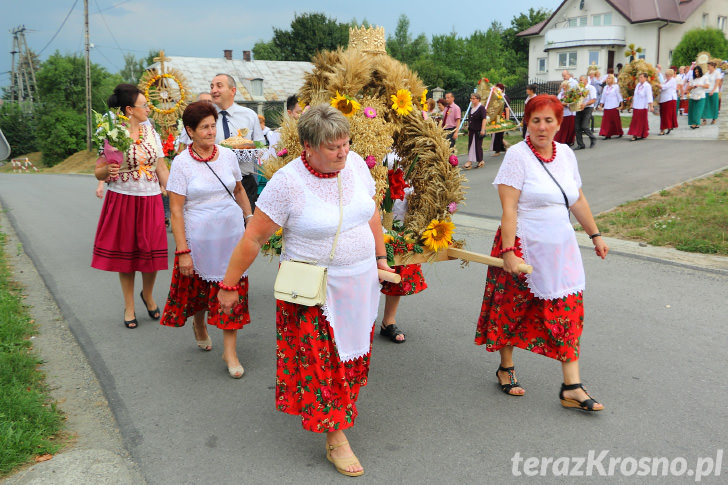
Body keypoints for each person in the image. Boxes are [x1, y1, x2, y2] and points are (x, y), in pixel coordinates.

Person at [217, 104, 392, 477]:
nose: (343, 152)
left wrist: (380, 258)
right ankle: (335, 437)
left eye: (345, 143)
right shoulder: (288, 182)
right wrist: (229, 284)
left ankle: (339, 412)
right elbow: (253, 237)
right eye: (333, 147)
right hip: (313, 289)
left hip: (359, 283)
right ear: (307, 147)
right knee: (321, 362)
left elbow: (371, 213)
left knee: (350, 357)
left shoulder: (356, 165)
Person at [475, 94, 608, 412]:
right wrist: (508, 251)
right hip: (522, 244)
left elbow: (576, 199)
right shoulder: (517, 156)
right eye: (536, 120)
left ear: (560, 124)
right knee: (513, 309)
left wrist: (595, 234)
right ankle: (506, 366)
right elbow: (508, 209)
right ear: (527, 123)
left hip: (560, 250)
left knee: (568, 312)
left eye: (549, 120)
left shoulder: (565, 155)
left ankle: (571, 387)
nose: (542, 127)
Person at [160, 101, 253, 377]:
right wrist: (182, 251)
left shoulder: (227, 156)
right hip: (199, 239)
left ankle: (230, 352)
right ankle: (199, 323)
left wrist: (249, 221)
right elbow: (176, 210)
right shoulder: (181, 163)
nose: (211, 132)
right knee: (200, 291)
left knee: (231, 288)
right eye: (204, 128)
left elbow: (238, 190)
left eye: (213, 126)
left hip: (231, 237)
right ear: (190, 131)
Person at [92, 84, 170, 329]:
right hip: (123, 198)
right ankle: (129, 306)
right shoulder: (112, 132)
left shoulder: (152, 134)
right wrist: (107, 170)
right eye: (144, 105)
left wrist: (172, 190)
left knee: (151, 253)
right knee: (126, 256)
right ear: (129, 109)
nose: (148, 108)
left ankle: (147, 294)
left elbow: (161, 166)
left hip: (150, 198)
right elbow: (98, 170)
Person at [210, 73, 264, 207]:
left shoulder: (249, 115)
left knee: (246, 225)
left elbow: (260, 146)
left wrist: (247, 148)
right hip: (214, 181)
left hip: (245, 182)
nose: (214, 90)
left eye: (219, 86)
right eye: (212, 87)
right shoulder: (207, 116)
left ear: (232, 91)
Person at [627, 73, 654, 140]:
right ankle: (641, 133)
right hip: (636, 105)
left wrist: (651, 106)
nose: (640, 78)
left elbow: (649, 96)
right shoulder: (638, 85)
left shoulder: (647, 86)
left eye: (641, 77)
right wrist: (632, 104)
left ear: (645, 78)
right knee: (635, 120)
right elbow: (635, 95)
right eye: (639, 77)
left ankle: (635, 134)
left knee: (640, 121)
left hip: (642, 106)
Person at [597, 74, 624, 139]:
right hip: (607, 106)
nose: (608, 79)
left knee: (615, 121)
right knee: (606, 121)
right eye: (607, 78)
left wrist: (621, 105)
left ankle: (619, 132)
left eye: (609, 78)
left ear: (612, 79)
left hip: (614, 106)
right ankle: (607, 133)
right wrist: (601, 105)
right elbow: (603, 97)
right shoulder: (605, 87)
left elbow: (619, 96)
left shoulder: (616, 87)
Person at [574, 75, 597, 150]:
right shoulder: (578, 89)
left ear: (586, 80)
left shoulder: (591, 88)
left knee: (584, 126)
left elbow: (593, 100)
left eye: (581, 80)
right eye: (579, 80)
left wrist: (585, 104)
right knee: (577, 127)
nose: (580, 82)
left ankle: (592, 137)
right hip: (579, 108)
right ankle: (581, 144)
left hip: (588, 108)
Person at [464, 93, 486, 169]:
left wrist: (483, 129)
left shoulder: (481, 108)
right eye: (471, 98)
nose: (472, 100)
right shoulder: (472, 108)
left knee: (477, 145)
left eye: (473, 98)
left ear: (478, 99)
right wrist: (468, 127)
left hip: (478, 130)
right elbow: (471, 119)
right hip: (472, 130)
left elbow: (484, 119)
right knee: (471, 145)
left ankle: (480, 160)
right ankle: (471, 160)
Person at [490, 84, 510, 157]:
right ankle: (505, 145)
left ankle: (497, 150)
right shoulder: (497, 97)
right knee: (494, 134)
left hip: (501, 118)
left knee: (498, 134)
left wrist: (507, 120)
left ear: (501, 89)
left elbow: (507, 109)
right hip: (496, 118)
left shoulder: (504, 97)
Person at [555, 81, 576, 145]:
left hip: (569, 112)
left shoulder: (570, 93)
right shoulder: (560, 94)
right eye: (563, 86)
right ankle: (561, 139)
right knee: (562, 127)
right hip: (563, 112)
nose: (563, 87)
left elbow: (572, 103)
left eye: (565, 86)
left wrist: (566, 104)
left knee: (569, 127)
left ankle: (569, 140)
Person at [658, 69, 678, 135]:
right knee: (663, 115)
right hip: (663, 99)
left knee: (667, 115)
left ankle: (664, 128)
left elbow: (665, 87)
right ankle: (667, 126)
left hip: (670, 99)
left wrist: (658, 85)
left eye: (667, 74)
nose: (666, 76)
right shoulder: (665, 81)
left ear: (670, 75)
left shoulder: (673, 80)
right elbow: (661, 88)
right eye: (666, 74)